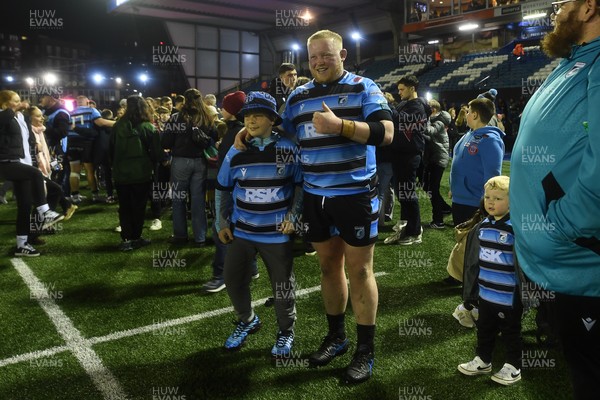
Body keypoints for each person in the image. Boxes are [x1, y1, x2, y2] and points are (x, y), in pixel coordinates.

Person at [278, 30, 394, 383]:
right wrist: (246, 138)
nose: (318, 62)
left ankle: (365, 351)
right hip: (314, 197)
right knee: (329, 267)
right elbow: (283, 137)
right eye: (313, 57)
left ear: (342, 54)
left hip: (355, 195)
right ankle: (337, 337)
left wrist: (339, 126)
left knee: (359, 271)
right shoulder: (297, 97)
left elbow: (386, 132)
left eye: (326, 55)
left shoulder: (364, 86)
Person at [511, 2, 600, 398]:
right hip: (567, 265)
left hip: (583, 264)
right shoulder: (578, 60)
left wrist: (562, 226)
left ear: (589, 7)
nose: (555, 11)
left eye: (563, 2)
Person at [217, 92, 302, 357]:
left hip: (276, 234)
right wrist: (222, 222)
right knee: (232, 279)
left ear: (272, 119)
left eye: (257, 115)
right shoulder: (236, 150)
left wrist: (294, 216)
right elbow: (223, 188)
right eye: (247, 116)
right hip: (242, 231)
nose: (251, 121)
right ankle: (248, 320)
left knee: (282, 287)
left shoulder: (286, 148)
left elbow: (299, 186)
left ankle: (286, 330)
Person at [458, 176, 523, 386]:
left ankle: (514, 366)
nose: (491, 202)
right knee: (484, 329)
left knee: (511, 331)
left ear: (513, 201)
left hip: (508, 296)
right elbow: (474, 264)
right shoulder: (483, 226)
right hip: (486, 294)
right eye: (487, 197)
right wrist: (472, 293)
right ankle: (483, 360)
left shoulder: (516, 228)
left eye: (498, 198)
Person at [202, 91, 260, 293]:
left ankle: (221, 276)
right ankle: (251, 268)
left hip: (230, 188)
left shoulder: (238, 133)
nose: (221, 109)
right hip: (243, 189)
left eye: (225, 106)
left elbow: (229, 166)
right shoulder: (242, 131)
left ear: (234, 111)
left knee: (221, 230)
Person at [0, 90, 64, 256]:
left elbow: (27, 140)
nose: (20, 103)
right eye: (15, 101)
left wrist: (36, 149)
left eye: (20, 100)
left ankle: (22, 245)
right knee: (36, 175)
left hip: (23, 163)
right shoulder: (3, 115)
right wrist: (13, 109)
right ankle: (45, 212)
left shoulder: (21, 117)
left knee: (25, 206)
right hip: (7, 162)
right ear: (4, 103)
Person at [162, 88, 217, 246]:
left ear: (184, 100)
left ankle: (180, 236)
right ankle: (200, 238)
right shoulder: (207, 117)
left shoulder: (176, 117)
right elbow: (214, 137)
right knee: (198, 200)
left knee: (179, 199)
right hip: (200, 161)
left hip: (180, 161)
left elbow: (165, 142)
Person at [110, 96, 164, 251]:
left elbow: (111, 149)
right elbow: (156, 153)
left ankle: (126, 239)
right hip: (141, 174)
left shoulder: (118, 125)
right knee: (138, 206)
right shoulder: (148, 127)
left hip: (121, 174)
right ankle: (136, 237)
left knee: (125, 206)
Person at [385, 75, 430, 245]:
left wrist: (387, 105)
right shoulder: (406, 104)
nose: (399, 93)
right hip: (400, 153)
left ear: (412, 88)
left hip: (409, 154)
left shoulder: (418, 106)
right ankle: (406, 225)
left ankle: (415, 230)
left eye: (402, 89)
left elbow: (399, 119)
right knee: (402, 193)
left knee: (408, 193)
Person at [449, 98, 504, 226]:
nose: (466, 114)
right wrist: (454, 188)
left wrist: (486, 202)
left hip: (474, 204)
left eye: (468, 112)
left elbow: (493, 175)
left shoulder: (490, 140)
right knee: (462, 242)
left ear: (475, 115)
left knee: (474, 243)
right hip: (459, 199)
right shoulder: (469, 134)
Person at [423, 99, 451, 229]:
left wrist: (426, 118)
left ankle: (438, 220)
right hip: (434, 158)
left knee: (433, 189)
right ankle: (445, 208)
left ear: (432, 109)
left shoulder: (440, 121)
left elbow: (429, 131)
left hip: (439, 158)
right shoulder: (437, 120)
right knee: (427, 187)